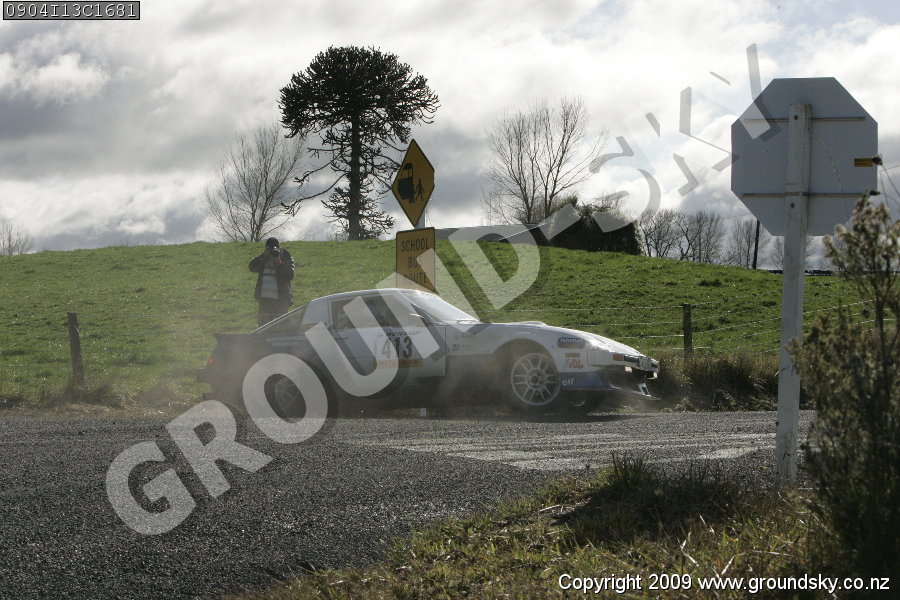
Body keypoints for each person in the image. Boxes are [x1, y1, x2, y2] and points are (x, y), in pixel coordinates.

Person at [249, 237, 295, 326]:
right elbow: (251, 267)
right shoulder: (263, 258)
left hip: (281, 300)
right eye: (268, 249)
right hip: (265, 301)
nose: (271, 252)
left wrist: (278, 261)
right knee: (264, 328)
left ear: (279, 248)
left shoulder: (286, 257)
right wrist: (262, 256)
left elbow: (290, 275)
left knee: (283, 327)